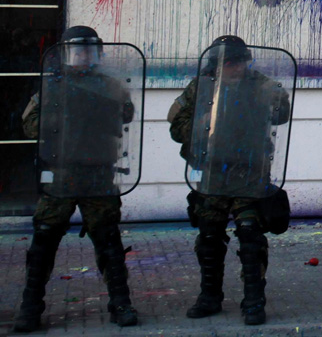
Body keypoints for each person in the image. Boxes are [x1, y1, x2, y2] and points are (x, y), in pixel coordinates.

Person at [14, 26, 140, 332]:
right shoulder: (52, 87)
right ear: (68, 55)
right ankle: (30, 307)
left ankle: (121, 303)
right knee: (43, 241)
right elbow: (30, 126)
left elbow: (126, 116)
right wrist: (62, 117)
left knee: (109, 242)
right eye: (78, 51)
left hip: (98, 174)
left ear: (98, 54)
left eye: (89, 51)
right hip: (61, 175)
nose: (84, 56)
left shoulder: (111, 86)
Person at [169, 35, 292, 325]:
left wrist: (271, 99)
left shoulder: (261, 85)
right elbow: (176, 126)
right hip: (213, 172)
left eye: (240, 62)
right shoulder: (201, 87)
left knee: (251, 234)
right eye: (230, 63)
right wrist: (199, 126)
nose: (236, 68)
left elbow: (282, 113)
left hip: (249, 171)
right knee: (209, 234)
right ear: (217, 65)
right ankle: (209, 297)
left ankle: (254, 300)